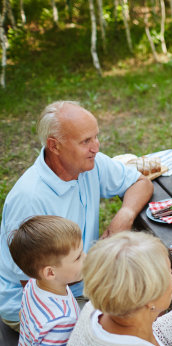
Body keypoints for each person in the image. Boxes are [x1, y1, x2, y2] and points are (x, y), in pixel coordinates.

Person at [0, 101, 153, 330]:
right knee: (124, 326)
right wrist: (97, 300)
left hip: (82, 279)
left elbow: (141, 183)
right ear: (55, 146)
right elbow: (29, 281)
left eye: (95, 137)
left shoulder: (88, 163)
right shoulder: (30, 199)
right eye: (85, 141)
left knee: (146, 293)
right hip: (42, 301)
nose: (96, 147)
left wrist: (125, 214)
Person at [8, 216, 84, 346]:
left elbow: (23, 317)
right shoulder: (60, 322)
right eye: (78, 257)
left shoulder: (35, 284)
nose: (86, 258)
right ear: (50, 272)